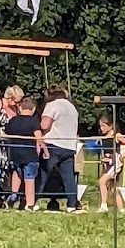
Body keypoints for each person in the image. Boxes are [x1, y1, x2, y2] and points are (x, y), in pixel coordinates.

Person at [40, 85, 82, 213]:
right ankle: (72, 204)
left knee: (43, 173)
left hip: (53, 144)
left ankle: (32, 200)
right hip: (69, 145)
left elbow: (44, 125)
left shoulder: (52, 105)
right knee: (68, 176)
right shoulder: (72, 107)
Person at [3, 97, 46, 210]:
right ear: (34, 109)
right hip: (29, 155)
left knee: (17, 174)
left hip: (15, 154)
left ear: (20, 108)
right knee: (29, 179)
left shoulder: (13, 120)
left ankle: (13, 196)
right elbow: (39, 138)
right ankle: (30, 204)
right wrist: (45, 151)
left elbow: (6, 134)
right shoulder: (34, 121)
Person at [95, 113, 125, 213]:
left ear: (110, 125)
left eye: (103, 126)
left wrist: (123, 156)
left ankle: (104, 206)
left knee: (102, 181)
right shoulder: (104, 137)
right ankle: (121, 209)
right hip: (108, 164)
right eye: (100, 126)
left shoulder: (116, 136)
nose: (101, 128)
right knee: (112, 187)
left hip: (115, 164)